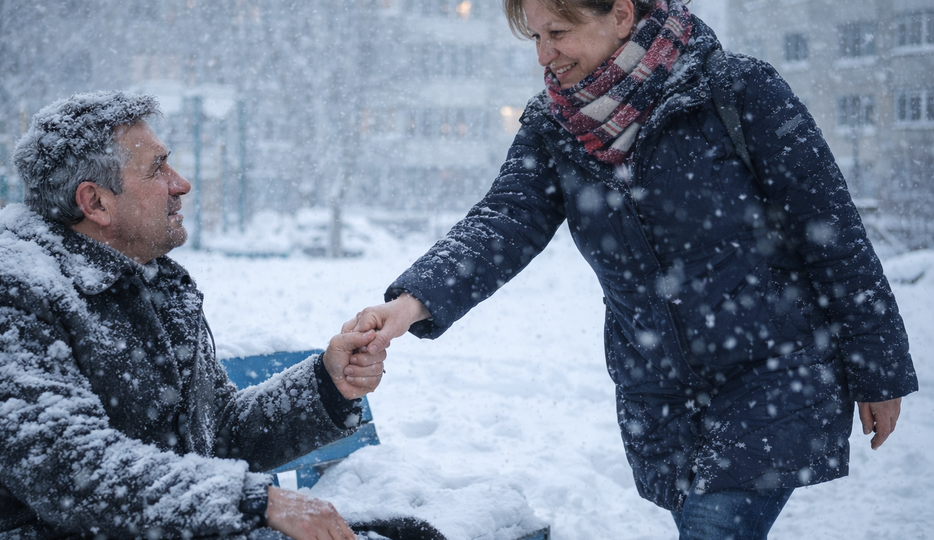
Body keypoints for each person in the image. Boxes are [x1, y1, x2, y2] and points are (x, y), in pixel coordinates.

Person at [345, 1, 919, 538]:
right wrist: (408, 305)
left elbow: (833, 234)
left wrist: (880, 371)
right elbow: (504, 220)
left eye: (558, 33)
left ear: (621, 14)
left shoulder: (737, 92)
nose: (543, 54)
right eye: (537, 37)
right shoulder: (554, 128)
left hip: (773, 374)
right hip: (660, 394)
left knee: (714, 526)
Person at [0, 91, 436, 540]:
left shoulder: (153, 284)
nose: (181, 183)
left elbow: (217, 435)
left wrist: (327, 385)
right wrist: (255, 503)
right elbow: (72, 470)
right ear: (95, 202)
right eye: (157, 168)